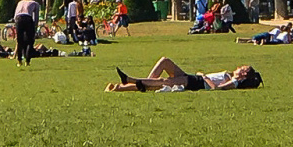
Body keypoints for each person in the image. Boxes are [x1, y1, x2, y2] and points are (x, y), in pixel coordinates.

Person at [105, 58, 261, 91]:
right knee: (165, 61)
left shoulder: (234, 82)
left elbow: (215, 89)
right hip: (195, 78)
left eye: (243, 68)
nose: (239, 67)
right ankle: (136, 85)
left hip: (197, 82)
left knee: (164, 81)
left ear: (244, 74)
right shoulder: (231, 76)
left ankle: (131, 81)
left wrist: (204, 76)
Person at [13, 0, 41, 66]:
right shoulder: (35, 3)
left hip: (18, 18)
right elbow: (36, 16)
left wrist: (15, 23)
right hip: (28, 18)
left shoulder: (20, 2)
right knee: (30, 41)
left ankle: (19, 60)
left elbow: (15, 13)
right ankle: (27, 60)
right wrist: (35, 26)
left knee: (19, 40)